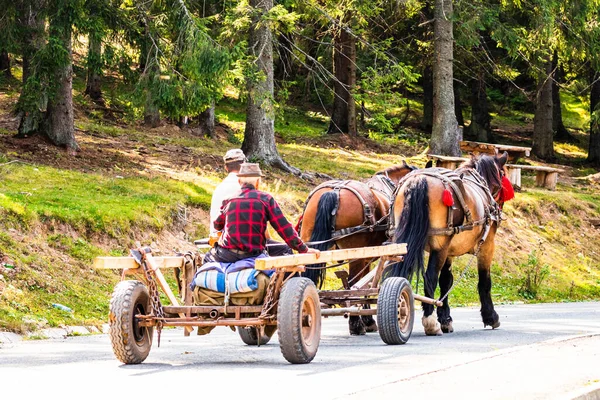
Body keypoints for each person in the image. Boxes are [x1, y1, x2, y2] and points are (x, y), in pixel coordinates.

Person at [205, 163, 320, 264]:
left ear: (239, 181)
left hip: (227, 255)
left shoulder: (228, 200)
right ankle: (288, 287)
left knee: (206, 258)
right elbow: (283, 228)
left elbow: (217, 225)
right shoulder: (266, 199)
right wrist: (303, 249)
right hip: (253, 254)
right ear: (258, 182)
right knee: (285, 250)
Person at [209, 149, 247, 236]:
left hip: (215, 236)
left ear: (226, 167)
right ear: (244, 166)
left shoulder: (220, 187)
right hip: (233, 240)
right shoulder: (243, 187)